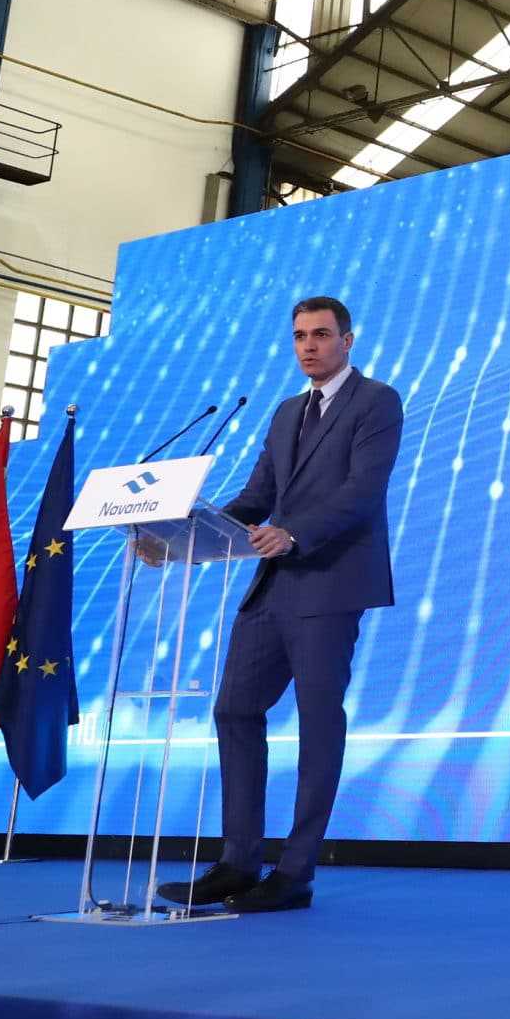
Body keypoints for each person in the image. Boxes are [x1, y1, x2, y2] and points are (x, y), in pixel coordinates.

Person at [154, 295, 402, 914]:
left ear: (348, 340)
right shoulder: (288, 410)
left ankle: (295, 873)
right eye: (299, 336)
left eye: (320, 334)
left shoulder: (377, 401)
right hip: (272, 586)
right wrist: (179, 536)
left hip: (329, 583)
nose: (308, 346)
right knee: (235, 710)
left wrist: (295, 533)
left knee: (318, 724)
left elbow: (362, 492)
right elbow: (257, 495)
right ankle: (238, 862)